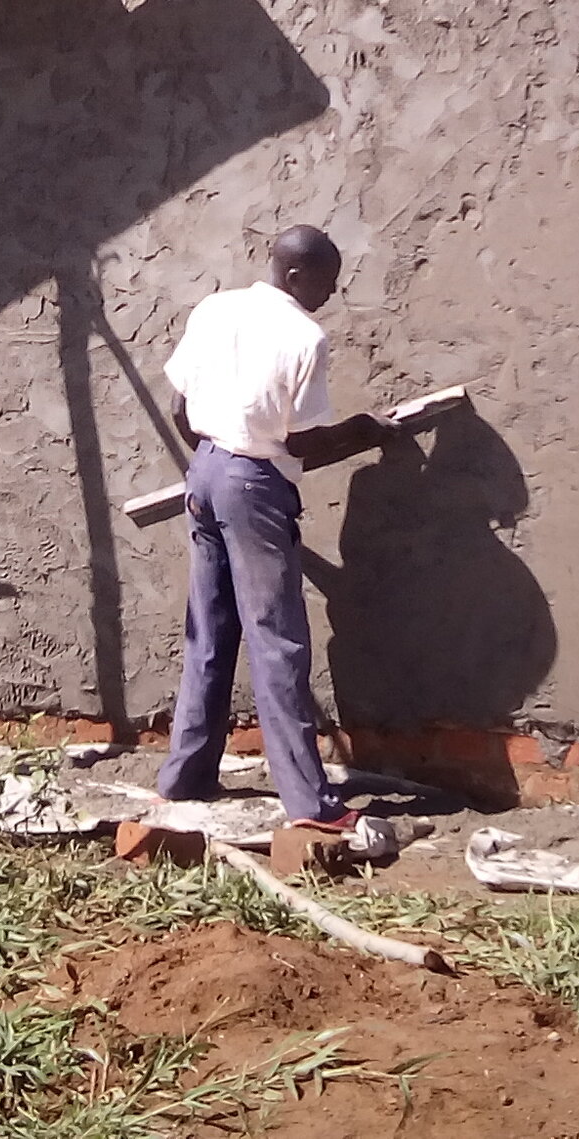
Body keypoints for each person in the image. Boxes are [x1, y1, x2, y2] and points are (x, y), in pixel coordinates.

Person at [156, 225, 397, 845]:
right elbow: (302, 441)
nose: (330, 295)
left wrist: (215, 461)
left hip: (205, 473)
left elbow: (180, 409)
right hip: (252, 484)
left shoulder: (216, 307)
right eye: (326, 282)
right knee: (277, 642)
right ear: (297, 276)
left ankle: (184, 777)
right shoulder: (303, 335)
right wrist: (366, 431)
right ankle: (309, 800)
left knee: (209, 632)